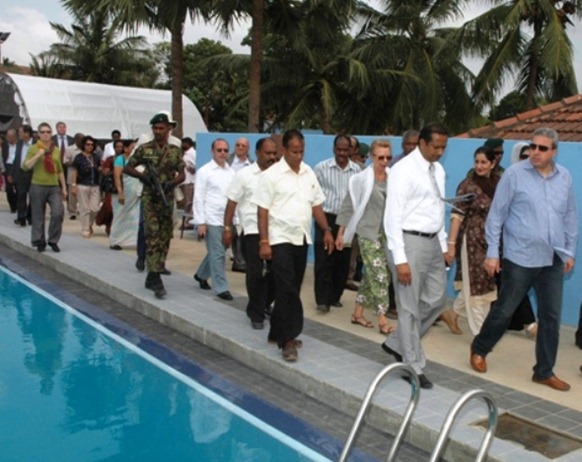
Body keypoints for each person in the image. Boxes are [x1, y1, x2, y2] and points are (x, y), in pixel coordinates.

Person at [470, 128, 578, 392]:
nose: (535, 152)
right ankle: (480, 348)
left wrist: (570, 251)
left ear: (554, 151)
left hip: (552, 258)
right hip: (520, 256)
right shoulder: (515, 175)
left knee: (550, 317)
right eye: (533, 146)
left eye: (543, 148)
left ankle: (543, 371)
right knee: (505, 309)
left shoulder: (564, 177)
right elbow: (496, 216)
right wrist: (493, 253)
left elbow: (570, 216)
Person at [381, 123, 453, 389]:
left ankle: (396, 343)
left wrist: (444, 245)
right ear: (422, 143)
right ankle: (412, 364)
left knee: (436, 300)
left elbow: (438, 207)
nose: (440, 151)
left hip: (432, 242)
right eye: (436, 146)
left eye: (444, 147)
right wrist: (400, 259)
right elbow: (392, 215)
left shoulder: (439, 170)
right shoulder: (403, 170)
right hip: (408, 241)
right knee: (409, 308)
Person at [253, 129, 334, 362]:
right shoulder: (272, 175)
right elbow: (262, 211)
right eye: (294, 152)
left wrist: (326, 230)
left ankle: (276, 332)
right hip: (279, 239)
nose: (298, 156)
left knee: (292, 287)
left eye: (301, 151)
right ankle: (287, 339)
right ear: (284, 150)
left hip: (301, 238)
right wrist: (264, 241)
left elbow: (316, 205)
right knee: (287, 288)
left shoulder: (308, 173)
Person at [336, 139, 396, 335]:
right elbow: (349, 204)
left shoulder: (393, 178)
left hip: (385, 234)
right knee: (380, 275)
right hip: (367, 233)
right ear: (372, 156)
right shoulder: (361, 179)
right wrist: (341, 232)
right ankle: (382, 318)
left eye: (388, 157)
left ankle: (358, 313)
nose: (385, 161)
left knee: (373, 276)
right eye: (381, 157)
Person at [124, 112, 185, 298]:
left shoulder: (175, 150)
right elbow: (128, 167)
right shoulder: (144, 149)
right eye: (155, 128)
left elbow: (182, 174)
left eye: (161, 128)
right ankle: (156, 278)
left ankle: (153, 273)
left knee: (165, 236)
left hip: (166, 199)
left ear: (168, 129)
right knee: (152, 236)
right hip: (149, 198)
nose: (158, 131)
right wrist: (143, 176)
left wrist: (172, 183)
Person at [442, 146, 499, 336]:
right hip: (471, 242)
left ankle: (452, 313)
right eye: (477, 162)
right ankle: (480, 337)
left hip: (491, 242)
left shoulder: (499, 184)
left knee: (484, 284)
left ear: (493, 163)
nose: (479, 166)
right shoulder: (467, 185)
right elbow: (457, 216)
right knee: (476, 287)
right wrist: (451, 246)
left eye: (484, 162)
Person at [223, 137, 278, 329]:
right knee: (255, 273)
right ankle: (255, 313)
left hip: (276, 231)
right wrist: (227, 228)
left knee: (276, 272)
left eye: (274, 153)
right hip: (252, 230)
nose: (272, 157)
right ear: (257, 153)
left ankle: (264, 303)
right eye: (268, 153)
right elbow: (232, 203)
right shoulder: (244, 175)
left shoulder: (279, 175)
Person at [313, 134, 360, 312]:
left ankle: (335, 296)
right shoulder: (321, 168)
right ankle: (322, 300)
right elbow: (314, 196)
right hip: (326, 218)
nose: (342, 153)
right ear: (334, 149)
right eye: (338, 149)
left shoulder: (357, 172)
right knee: (324, 259)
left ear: (351, 150)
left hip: (347, 221)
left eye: (345, 150)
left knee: (342, 261)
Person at [192, 139, 236, 301]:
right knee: (218, 254)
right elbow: (198, 197)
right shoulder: (204, 172)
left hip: (226, 220)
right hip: (210, 218)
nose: (223, 153)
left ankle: (201, 274)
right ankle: (221, 287)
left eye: (225, 150)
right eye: (219, 150)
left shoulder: (231, 173)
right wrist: (201, 222)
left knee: (218, 251)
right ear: (212, 152)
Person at [505, 142, 538, 337]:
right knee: (517, 283)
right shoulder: (510, 179)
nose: (529, 160)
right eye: (524, 156)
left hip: (533, 244)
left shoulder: (543, 179)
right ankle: (530, 323)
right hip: (510, 242)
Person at [23, 122, 67, 252]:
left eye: (48, 132)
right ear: (38, 135)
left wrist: (64, 187)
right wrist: (38, 155)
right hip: (38, 185)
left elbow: (59, 170)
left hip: (53, 186)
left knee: (58, 212)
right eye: (42, 132)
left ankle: (53, 240)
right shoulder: (33, 148)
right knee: (38, 215)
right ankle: (39, 240)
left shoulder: (56, 150)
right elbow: (25, 166)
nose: (46, 134)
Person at [227, 137, 252, 273]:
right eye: (238, 145)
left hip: (244, 204)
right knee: (230, 233)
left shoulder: (251, 164)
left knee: (241, 231)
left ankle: (239, 261)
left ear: (248, 148)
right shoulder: (228, 162)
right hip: (230, 202)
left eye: (243, 145)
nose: (240, 148)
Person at [109, 139, 140, 249]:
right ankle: (115, 240)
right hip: (123, 193)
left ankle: (131, 241)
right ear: (126, 149)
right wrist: (120, 192)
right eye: (132, 148)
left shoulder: (137, 160)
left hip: (135, 193)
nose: (134, 150)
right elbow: (117, 177)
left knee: (134, 216)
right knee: (120, 215)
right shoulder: (120, 159)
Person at [71, 136, 101, 238]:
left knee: (95, 208)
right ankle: (85, 228)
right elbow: (74, 171)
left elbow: (100, 167)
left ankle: (89, 224)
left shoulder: (96, 157)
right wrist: (73, 185)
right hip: (82, 184)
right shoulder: (78, 157)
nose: (90, 146)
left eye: (92, 145)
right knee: (84, 208)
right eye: (88, 144)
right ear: (83, 145)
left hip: (95, 184)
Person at [12, 125, 35, 226]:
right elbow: (16, 159)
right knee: (21, 195)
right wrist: (12, 173)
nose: (19, 135)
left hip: (33, 173)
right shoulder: (19, 144)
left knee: (33, 196)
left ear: (27, 133)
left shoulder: (36, 144)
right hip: (21, 173)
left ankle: (30, 216)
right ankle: (21, 218)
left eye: (21, 132)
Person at [63, 133, 84, 220]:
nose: (82, 141)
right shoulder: (69, 149)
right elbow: (65, 161)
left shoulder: (85, 148)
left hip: (83, 175)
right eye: (80, 140)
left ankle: (82, 210)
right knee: (72, 195)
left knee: (82, 193)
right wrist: (75, 163)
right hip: (72, 174)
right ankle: (72, 211)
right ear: (76, 140)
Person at [180, 137, 196, 229]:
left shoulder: (192, 153)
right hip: (187, 181)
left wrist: (192, 169)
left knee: (189, 202)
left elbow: (197, 165)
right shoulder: (187, 154)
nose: (182, 145)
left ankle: (188, 222)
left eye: (184, 143)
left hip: (191, 181)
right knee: (189, 202)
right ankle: (188, 221)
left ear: (188, 143)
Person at [1, 129, 19, 213]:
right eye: (7, 137)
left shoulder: (20, 144)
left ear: (15, 137)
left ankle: (19, 205)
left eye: (10, 137)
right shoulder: (5, 145)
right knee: (9, 188)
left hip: (17, 166)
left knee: (18, 187)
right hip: (8, 166)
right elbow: (2, 156)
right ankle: (12, 206)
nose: (8, 138)